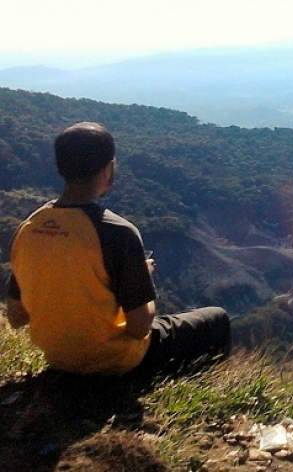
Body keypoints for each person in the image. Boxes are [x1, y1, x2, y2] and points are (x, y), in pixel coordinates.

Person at [4, 121, 230, 377]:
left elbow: (16, 316)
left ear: (60, 168)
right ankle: (197, 384)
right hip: (117, 362)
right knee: (217, 319)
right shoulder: (117, 231)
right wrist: (140, 277)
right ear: (108, 170)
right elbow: (139, 327)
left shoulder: (28, 228)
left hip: (58, 359)